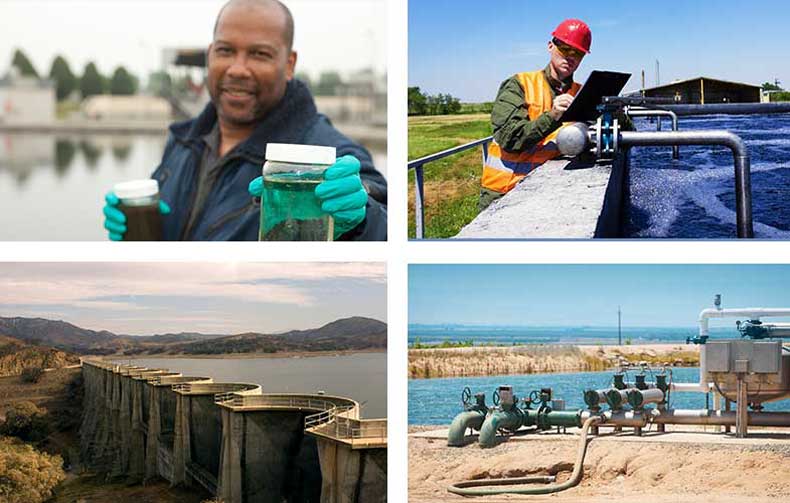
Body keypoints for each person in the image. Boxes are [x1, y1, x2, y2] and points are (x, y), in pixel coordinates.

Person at [103, 0, 387, 240]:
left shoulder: (325, 156)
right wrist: (145, 229)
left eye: (259, 54)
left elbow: (380, 210)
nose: (238, 69)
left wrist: (361, 220)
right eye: (226, 50)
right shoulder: (182, 140)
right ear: (211, 54)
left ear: (289, 64)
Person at [479, 19, 591, 211]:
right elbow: (509, 138)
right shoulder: (519, 84)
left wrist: (613, 109)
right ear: (550, 46)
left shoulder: (582, 94)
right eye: (565, 48)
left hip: (550, 191)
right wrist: (553, 115)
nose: (570, 57)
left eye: (578, 53)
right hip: (505, 192)